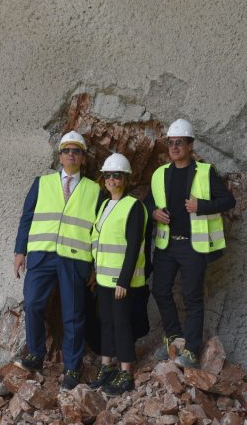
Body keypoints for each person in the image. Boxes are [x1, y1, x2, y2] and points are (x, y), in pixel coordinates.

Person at [13, 130, 100, 390]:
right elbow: (27, 218)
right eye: (66, 151)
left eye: (76, 151)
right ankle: (35, 354)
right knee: (32, 304)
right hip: (42, 255)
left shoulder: (95, 190)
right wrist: (20, 251)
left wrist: (95, 265)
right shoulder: (42, 183)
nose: (71, 155)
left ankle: (72, 368)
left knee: (73, 314)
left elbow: (99, 231)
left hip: (75, 259)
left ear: (83, 158)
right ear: (60, 156)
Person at [147, 119, 236, 368]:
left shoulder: (205, 172)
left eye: (179, 142)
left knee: (192, 298)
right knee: (160, 290)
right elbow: (147, 203)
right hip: (166, 245)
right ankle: (174, 339)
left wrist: (201, 206)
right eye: (170, 143)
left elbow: (228, 201)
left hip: (193, 245)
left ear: (190, 145)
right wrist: (154, 212)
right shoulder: (160, 174)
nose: (174, 147)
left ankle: (192, 350)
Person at [88, 153, 148, 396]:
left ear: (126, 179)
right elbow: (98, 239)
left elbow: (133, 246)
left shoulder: (134, 206)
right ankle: (107, 366)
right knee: (106, 322)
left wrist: (124, 280)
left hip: (122, 281)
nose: (111, 179)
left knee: (122, 324)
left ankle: (126, 372)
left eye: (116, 175)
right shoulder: (104, 205)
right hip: (103, 278)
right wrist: (95, 271)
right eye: (108, 175)